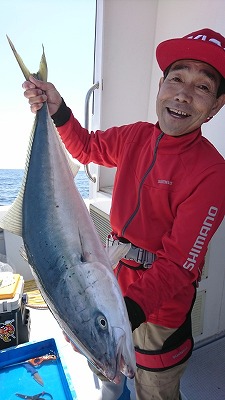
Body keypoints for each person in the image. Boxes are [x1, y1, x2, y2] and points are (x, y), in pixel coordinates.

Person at [22, 28, 225, 400]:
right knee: (107, 373)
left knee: (155, 386)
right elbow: (85, 146)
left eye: (202, 87)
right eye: (177, 79)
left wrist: (123, 315)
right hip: (111, 277)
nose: (183, 93)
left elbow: (180, 265)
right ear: (161, 85)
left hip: (161, 308)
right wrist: (58, 109)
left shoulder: (212, 172)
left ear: (215, 106)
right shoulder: (135, 137)